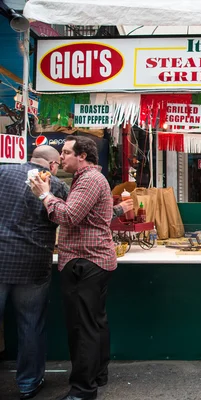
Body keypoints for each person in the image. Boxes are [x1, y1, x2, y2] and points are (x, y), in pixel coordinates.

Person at [29, 136, 117, 400]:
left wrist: (45, 195)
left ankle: (82, 390)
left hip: (84, 261)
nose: (61, 157)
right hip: (91, 260)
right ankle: (97, 375)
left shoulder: (89, 180)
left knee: (82, 328)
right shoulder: (87, 179)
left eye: (66, 152)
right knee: (95, 323)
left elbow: (69, 215)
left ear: (83, 156)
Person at [0, 145, 69, 400]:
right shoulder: (55, 185)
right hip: (32, 264)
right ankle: (28, 384)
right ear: (52, 166)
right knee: (30, 324)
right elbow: (68, 216)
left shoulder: (3, 174)